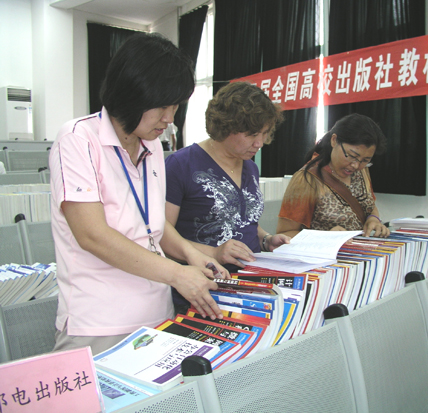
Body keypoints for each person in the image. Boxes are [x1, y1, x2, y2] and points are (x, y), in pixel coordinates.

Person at [49, 33, 229, 355]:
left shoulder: (152, 146)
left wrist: (190, 253)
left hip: (157, 315)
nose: (169, 118)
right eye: (162, 106)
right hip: (98, 324)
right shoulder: (78, 139)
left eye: (175, 106)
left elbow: (152, 224)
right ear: (130, 94)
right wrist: (178, 273)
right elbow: (92, 235)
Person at [165, 81, 290, 312]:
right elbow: (161, 234)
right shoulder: (181, 165)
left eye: (264, 134)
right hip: (202, 292)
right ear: (225, 126)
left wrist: (265, 239)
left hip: (250, 285)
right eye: (251, 134)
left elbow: (242, 219)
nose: (259, 143)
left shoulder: (250, 167)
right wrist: (213, 252)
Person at [277, 113, 390, 238]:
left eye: (365, 160)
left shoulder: (362, 170)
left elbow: (369, 206)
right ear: (334, 140)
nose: (356, 165)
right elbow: (285, 233)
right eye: (352, 156)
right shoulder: (307, 180)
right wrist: (325, 238)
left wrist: (373, 219)